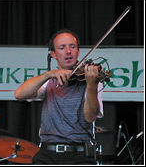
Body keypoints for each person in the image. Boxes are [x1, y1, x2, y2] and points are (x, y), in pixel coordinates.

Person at [14, 29, 104, 165]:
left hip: (80, 155)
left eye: (72, 47)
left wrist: (91, 86)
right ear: (53, 54)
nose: (68, 51)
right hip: (47, 154)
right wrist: (48, 75)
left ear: (78, 52)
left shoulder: (91, 80)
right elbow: (19, 94)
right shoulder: (49, 81)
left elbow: (90, 117)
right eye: (62, 48)